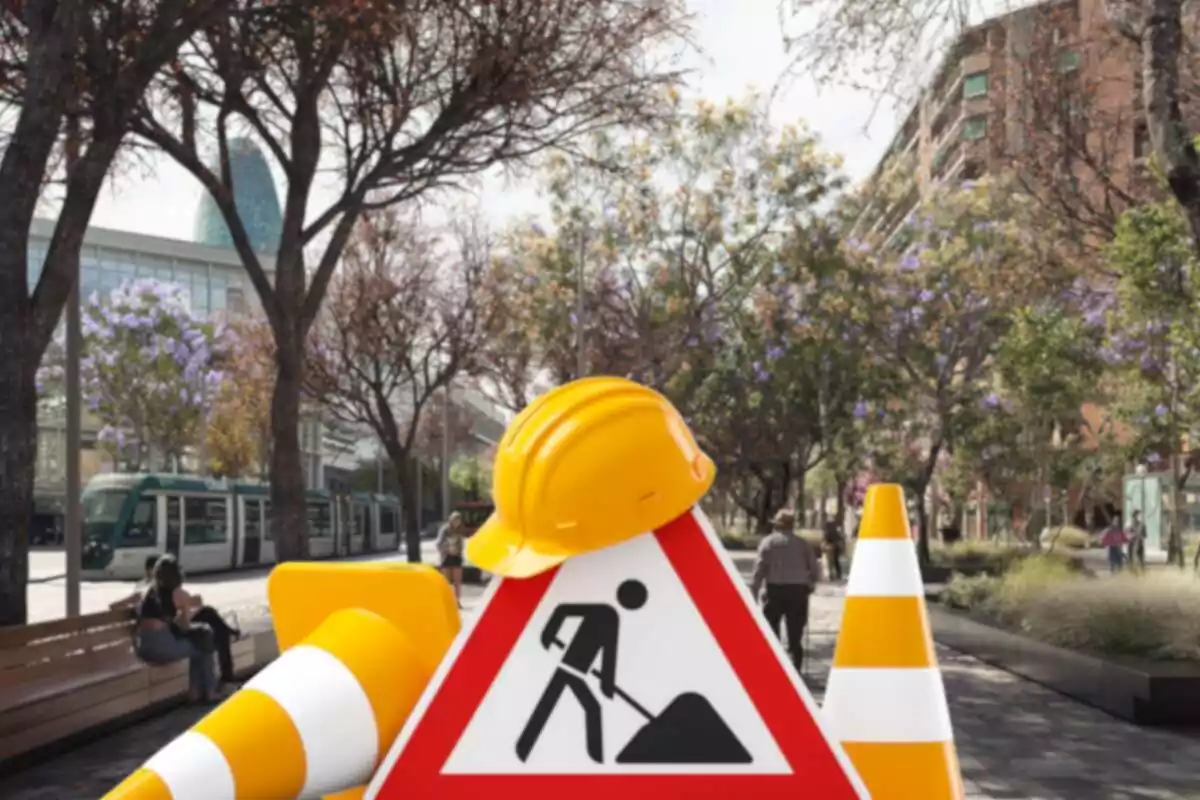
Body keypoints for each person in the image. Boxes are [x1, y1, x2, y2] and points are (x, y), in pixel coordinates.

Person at [516, 579, 648, 764]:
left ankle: (523, 748)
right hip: (569, 668)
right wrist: (548, 635)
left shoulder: (610, 615)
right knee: (586, 708)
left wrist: (606, 685)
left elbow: (608, 655)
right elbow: (563, 610)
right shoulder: (607, 614)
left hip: (574, 671)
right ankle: (596, 760)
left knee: (552, 705)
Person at [114, 554, 242, 688]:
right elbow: (184, 626)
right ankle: (211, 689)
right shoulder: (176, 594)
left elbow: (165, 619)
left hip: (144, 644)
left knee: (207, 620)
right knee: (204, 642)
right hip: (162, 644)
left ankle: (205, 688)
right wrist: (189, 616)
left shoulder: (150, 592)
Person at [132, 555, 228, 704]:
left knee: (199, 645)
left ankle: (196, 693)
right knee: (203, 645)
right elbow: (184, 626)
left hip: (142, 647)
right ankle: (209, 691)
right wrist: (189, 612)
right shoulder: (179, 594)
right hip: (162, 647)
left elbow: (159, 620)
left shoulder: (149, 592)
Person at [751, 509, 820, 674]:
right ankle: (795, 670)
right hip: (798, 591)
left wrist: (753, 593)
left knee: (771, 633)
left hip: (775, 591)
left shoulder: (768, 543)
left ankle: (774, 668)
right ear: (792, 525)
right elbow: (814, 569)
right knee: (795, 634)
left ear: (777, 525)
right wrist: (810, 585)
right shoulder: (803, 544)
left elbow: (759, 571)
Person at [436, 512, 467, 605]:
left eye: (458, 520)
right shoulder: (444, 530)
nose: (456, 522)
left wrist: (458, 550)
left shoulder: (460, 530)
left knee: (457, 581)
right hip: (446, 557)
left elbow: (462, 544)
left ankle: (456, 601)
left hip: (457, 557)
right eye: (455, 520)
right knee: (446, 581)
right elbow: (438, 544)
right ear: (450, 519)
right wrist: (446, 549)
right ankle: (446, 601)